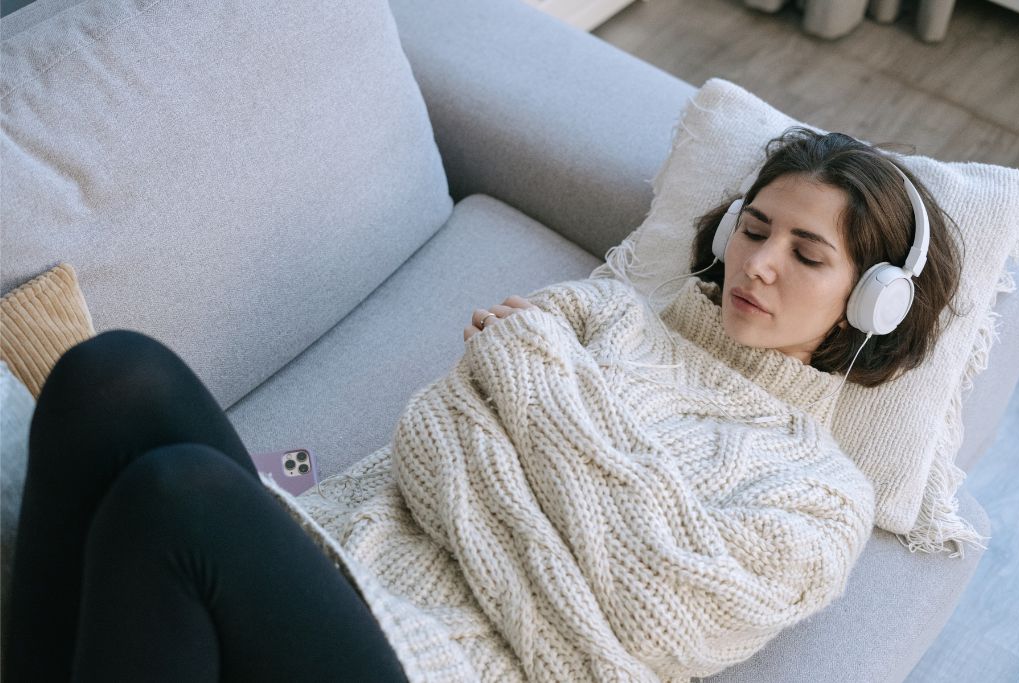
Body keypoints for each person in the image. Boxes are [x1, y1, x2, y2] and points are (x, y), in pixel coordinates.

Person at [6, 126, 962, 681]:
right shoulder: (601, 315)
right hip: (326, 554)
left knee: (178, 494)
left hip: (434, 666)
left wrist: (531, 391)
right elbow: (427, 437)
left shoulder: (822, 496)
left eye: (806, 254)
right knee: (113, 375)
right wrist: (569, 544)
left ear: (871, 300)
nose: (759, 264)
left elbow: (639, 621)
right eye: (756, 228)